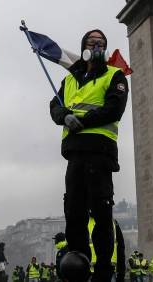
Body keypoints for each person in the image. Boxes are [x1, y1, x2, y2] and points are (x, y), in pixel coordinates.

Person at [49, 29, 129, 282]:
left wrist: (81, 120)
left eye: (101, 42)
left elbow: (114, 109)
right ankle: (77, 266)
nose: (96, 45)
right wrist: (64, 117)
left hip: (100, 151)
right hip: (75, 153)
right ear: (83, 45)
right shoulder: (71, 79)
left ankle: (103, 272)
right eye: (92, 42)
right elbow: (54, 106)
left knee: (101, 213)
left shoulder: (114, 75)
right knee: (74, 212)